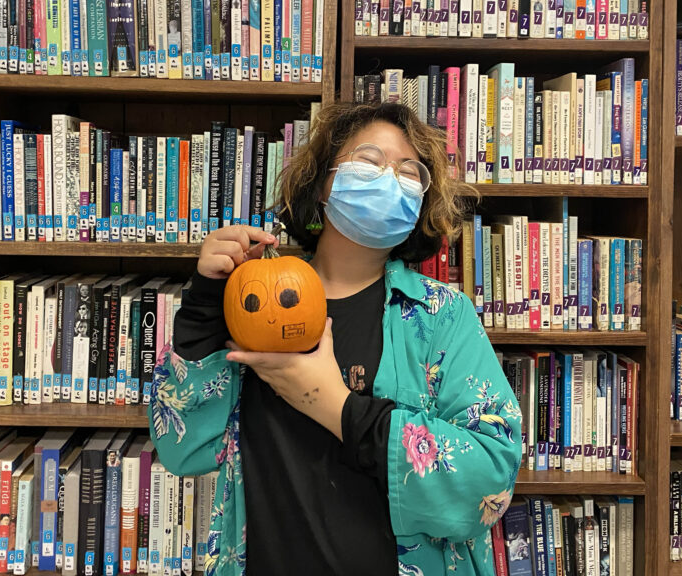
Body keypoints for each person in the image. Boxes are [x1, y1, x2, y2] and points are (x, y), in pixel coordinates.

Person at [148, 102, 522, 576]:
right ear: (323, 182)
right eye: (369, 162)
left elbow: (490, 484)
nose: (390, 180)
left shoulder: (442, 316)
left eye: (410, 173)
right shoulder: (253, 298)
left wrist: (337, 406)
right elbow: (182, 449)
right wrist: (205, 306)